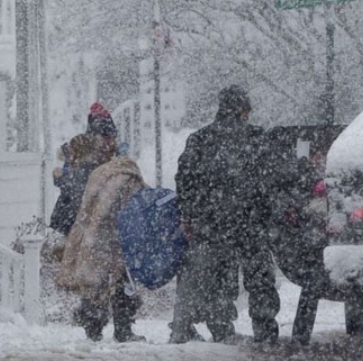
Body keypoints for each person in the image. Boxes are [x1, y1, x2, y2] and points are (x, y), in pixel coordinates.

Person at [169, 85, 280, 345]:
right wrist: (265, 215)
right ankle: (265, 331)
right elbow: (272, 181)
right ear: (244, 110)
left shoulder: (200, 139)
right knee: (260, 279)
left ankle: (222, 330)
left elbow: (184, 181)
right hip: (251, 222)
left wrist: (190, 215)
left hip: (212, 224)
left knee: (219, 280)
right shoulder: (257, 138)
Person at [56, 134, 148, 342]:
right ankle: (121, 329)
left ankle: (94, 328)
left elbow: (76, 202)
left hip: (94, 236)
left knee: (95, 284)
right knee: (120, 282)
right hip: (114, 235)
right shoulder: (115, 174)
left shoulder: (91, 173)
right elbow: (136, 201)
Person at [267, 131, 333, 346]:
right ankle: (300, 337)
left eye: (325, 155)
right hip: (313, 244)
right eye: (319, 155)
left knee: (312, 288)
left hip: (320, 242)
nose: (322, 160)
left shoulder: (327, 178)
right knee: (312, 287)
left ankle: (300, 337)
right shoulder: (305, 177)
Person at [49, 102, 119, 235]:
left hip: (75, 221)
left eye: (108, 138)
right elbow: (77, 188)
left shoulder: (105, 160)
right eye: (103, 138)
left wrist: (63, 177)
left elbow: (77, 186)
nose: (106, 143)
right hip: (71, 221)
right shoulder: (86, 156)